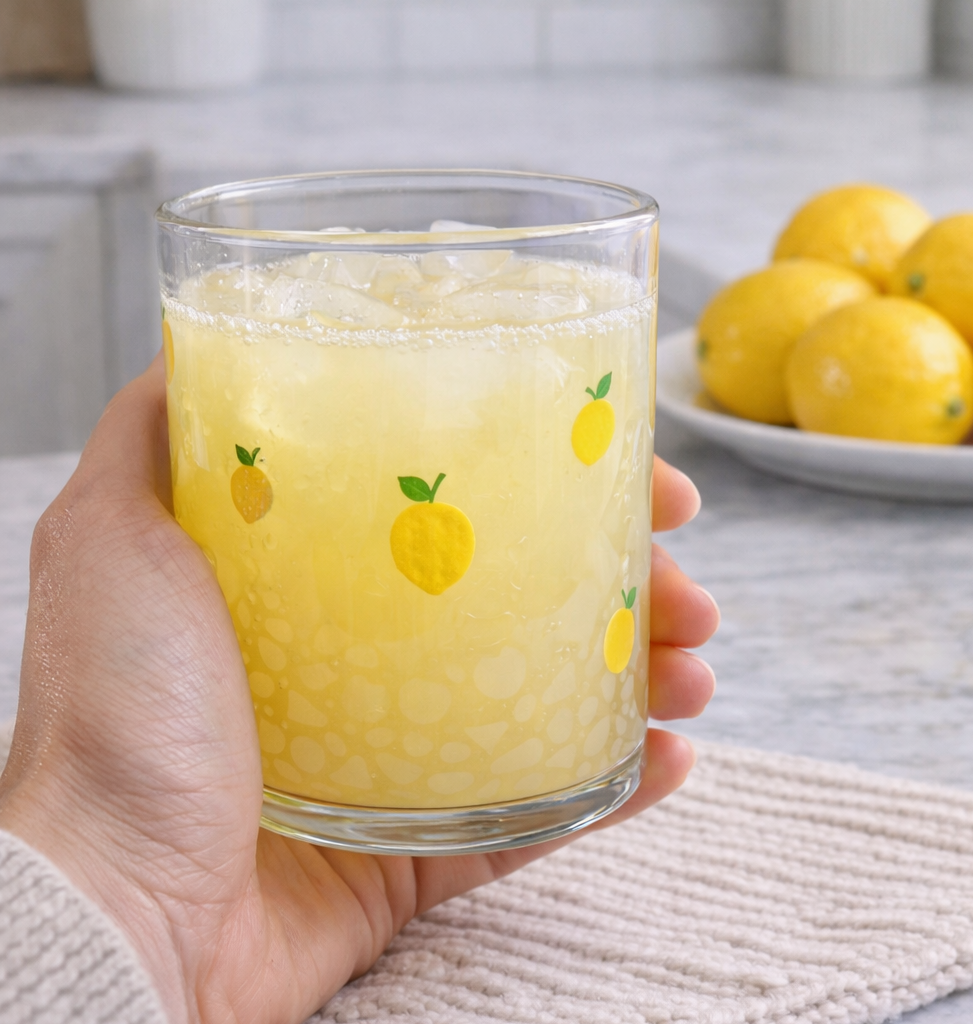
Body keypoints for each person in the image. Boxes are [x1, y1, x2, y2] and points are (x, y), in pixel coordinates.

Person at [0, 360, 719, 1024]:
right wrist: (120, 868)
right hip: (283, 809)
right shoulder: (240, 335)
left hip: (544, 779)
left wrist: (128, 902)